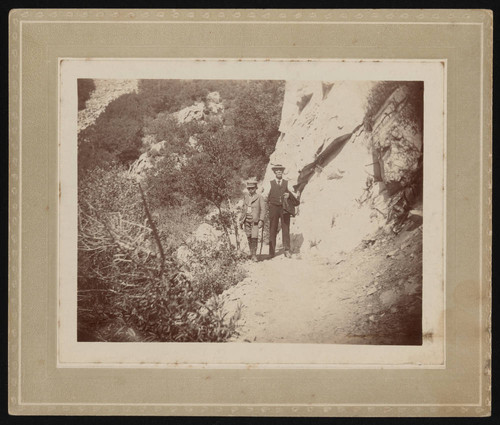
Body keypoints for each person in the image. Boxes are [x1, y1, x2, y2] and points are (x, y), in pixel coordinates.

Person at [262, 164, 299, 259]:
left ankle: (287, 250)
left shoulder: (287, 183)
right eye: (277, 170)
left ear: (282, 172)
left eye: (280, 170)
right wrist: (265, 208)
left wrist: (289, 195)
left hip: (284, 208)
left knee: (286, 228)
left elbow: (294, 195)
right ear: (274, 172)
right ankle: (271, 252)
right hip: (273, 207)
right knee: (272, 228)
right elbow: (265, 196)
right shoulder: (270, 183)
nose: (279, 172)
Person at [239, 178, 265, 262]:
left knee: (254, 237)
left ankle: (254, 255)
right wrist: (241, 220)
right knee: (249, 236)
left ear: (256, 188)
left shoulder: (259, 197)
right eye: (249, 188)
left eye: (252, 188)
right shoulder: (246, 197)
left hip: (255, 221)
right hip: (247, 220)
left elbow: (263, 209)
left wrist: (261, 220)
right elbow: (243, 209)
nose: (251, 190)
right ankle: (251, 252)